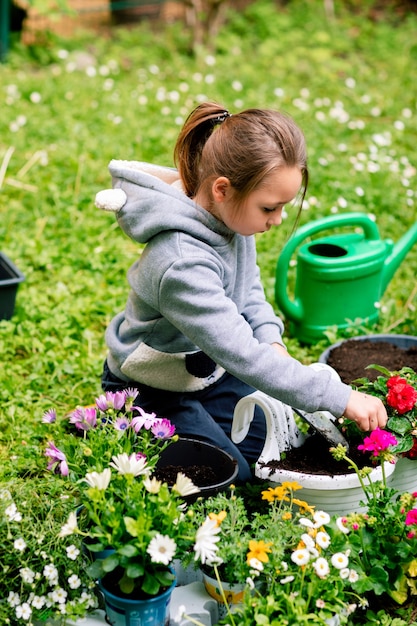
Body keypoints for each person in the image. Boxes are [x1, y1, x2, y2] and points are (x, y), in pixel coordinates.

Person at [97, 101, 388, 482]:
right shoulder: (182, 263)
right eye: (270, 207)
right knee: (231, 475)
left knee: (282, 449)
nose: (278, 219)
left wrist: (272, 340)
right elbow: (243, 354)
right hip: (151, 389)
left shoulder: (230, 220)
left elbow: (248, 287)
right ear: (222, 189)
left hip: (210, 372)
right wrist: (339, 396)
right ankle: (120, 420)